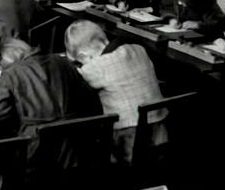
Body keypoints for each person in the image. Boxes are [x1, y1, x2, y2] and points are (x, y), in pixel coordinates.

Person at [64, 20, 167, 164]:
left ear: (84, 56)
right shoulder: (138, 49)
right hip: (160, 130)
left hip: (129, 139)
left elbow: (71, 80)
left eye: (80, 61)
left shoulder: (96, 67)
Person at [0, 38, 102, 156]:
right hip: (80, 143)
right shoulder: (62, 61)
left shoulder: (10, 75)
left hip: (39, 150)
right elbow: (90, 97)